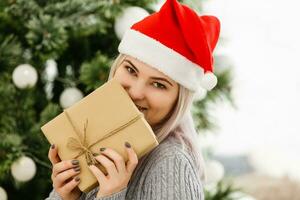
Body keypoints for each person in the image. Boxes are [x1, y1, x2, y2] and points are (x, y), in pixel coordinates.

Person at [46, 0, 220, 199]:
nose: (136, 92)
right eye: (130, 70)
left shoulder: (171, 163)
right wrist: (66, 197)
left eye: (159, 84)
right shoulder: (99, 137)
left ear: (178, 101)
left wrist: (111, 195)